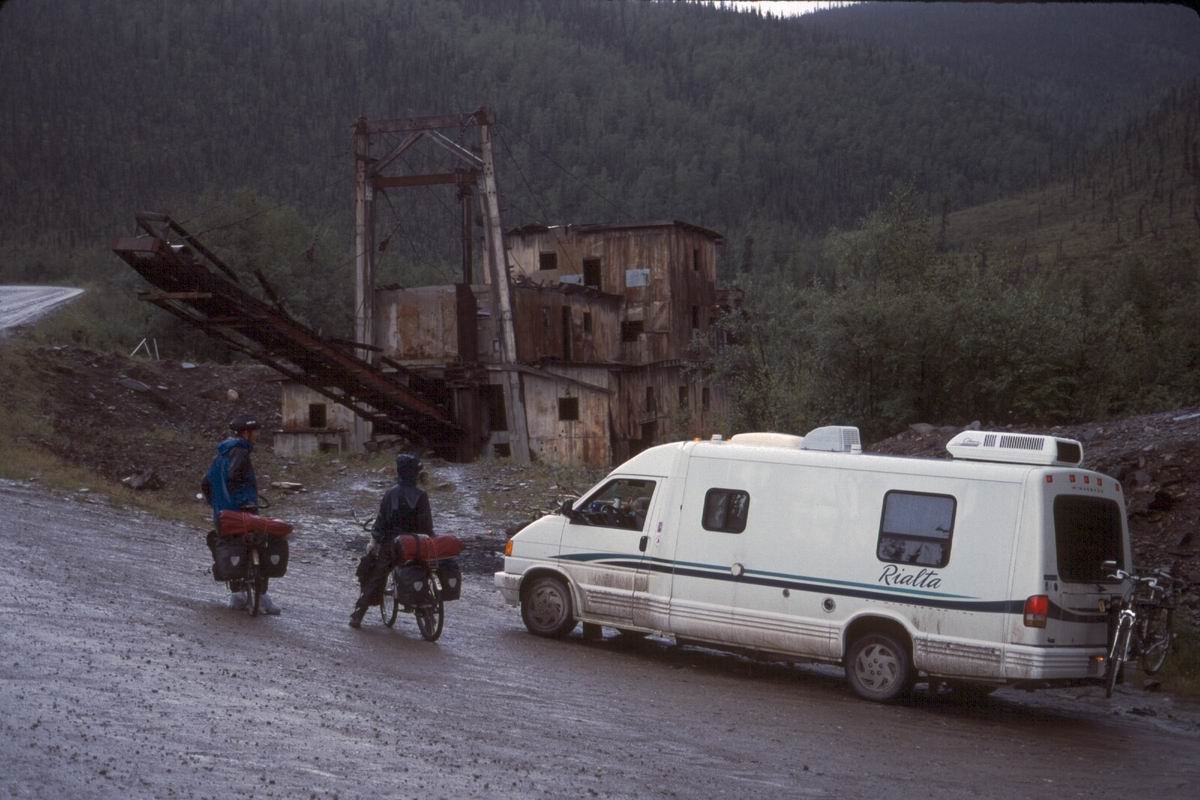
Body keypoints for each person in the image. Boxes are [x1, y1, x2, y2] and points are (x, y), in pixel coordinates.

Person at [201, 413, 281, 615]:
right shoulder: (240, 452)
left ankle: (237, 595)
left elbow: (206, 482)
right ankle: (262, 597)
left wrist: (216, 504)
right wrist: (243, 503)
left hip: (222, 516)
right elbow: (233, 476)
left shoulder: (220, 454)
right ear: (246, 433)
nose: (257, 435)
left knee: (231, 547)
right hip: (242, 514)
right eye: (255, 432)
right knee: (260, 545)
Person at [350, 453, 432, 628]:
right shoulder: (421, 495)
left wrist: (375, 542)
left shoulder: (390, 494)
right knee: (425, 571)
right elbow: (427, 526)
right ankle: (427, 614)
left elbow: (381, 522)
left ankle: (358, 615)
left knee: (377, 576)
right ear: (414, 473)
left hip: (392, 545)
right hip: (415, 544)